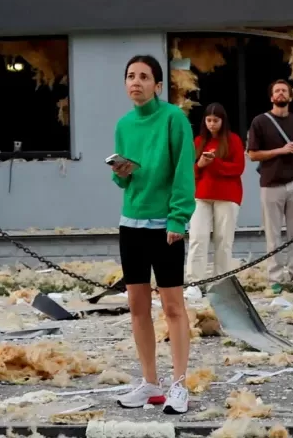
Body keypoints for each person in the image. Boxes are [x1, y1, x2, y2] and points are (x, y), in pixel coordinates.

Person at [110, 55, 195, 415]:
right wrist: (121, 171)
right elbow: (120, 180)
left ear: (158, 85)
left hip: (166, 227)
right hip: (131, 223)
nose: (136, 82)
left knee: (173, 307)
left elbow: (183, 171)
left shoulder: (174, 119)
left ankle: (179, 385)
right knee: (137, 308)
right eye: (131, 76)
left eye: (144, 77)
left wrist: (179, 218)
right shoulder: (124, 124)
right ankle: (150, 384)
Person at [247, 79, 293, 294]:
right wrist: (280, 151)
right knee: (273, 235)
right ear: (271, 97)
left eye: (284, 91)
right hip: (270, 186)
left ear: (289, 96)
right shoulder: (260, 122)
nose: (280, 94)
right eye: (276, 91)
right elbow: (252, 155)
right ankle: (275, 278)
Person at [188, 103, 245, 285]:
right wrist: (200, 165)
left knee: (224, 240)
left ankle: (221, 283)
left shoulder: (233, 140)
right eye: (209, 120)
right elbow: (189, 171)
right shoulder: (198, 141)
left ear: (223, 121)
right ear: (204, 121)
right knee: (198, 237)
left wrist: (215, 163)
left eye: (216, 120)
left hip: (227, 195)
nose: (212, 124)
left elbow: (238, 168)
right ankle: (194, 282)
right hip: (201, 194)